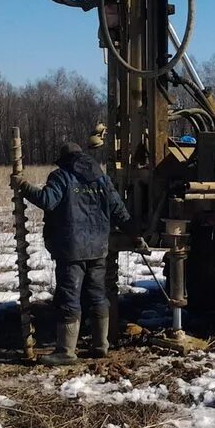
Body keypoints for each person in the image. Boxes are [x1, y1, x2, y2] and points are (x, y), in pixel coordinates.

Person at [11, 141, 139, 366]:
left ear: (65, 160)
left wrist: (23, 185)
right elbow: (119, 210)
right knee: (98, 294)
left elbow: (47, 201)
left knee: (69, 298)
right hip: (99, 247)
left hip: (71, 249)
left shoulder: (61, 176)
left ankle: (66, 352)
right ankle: (101, 346)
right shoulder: (101, 178)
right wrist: (135, 234)